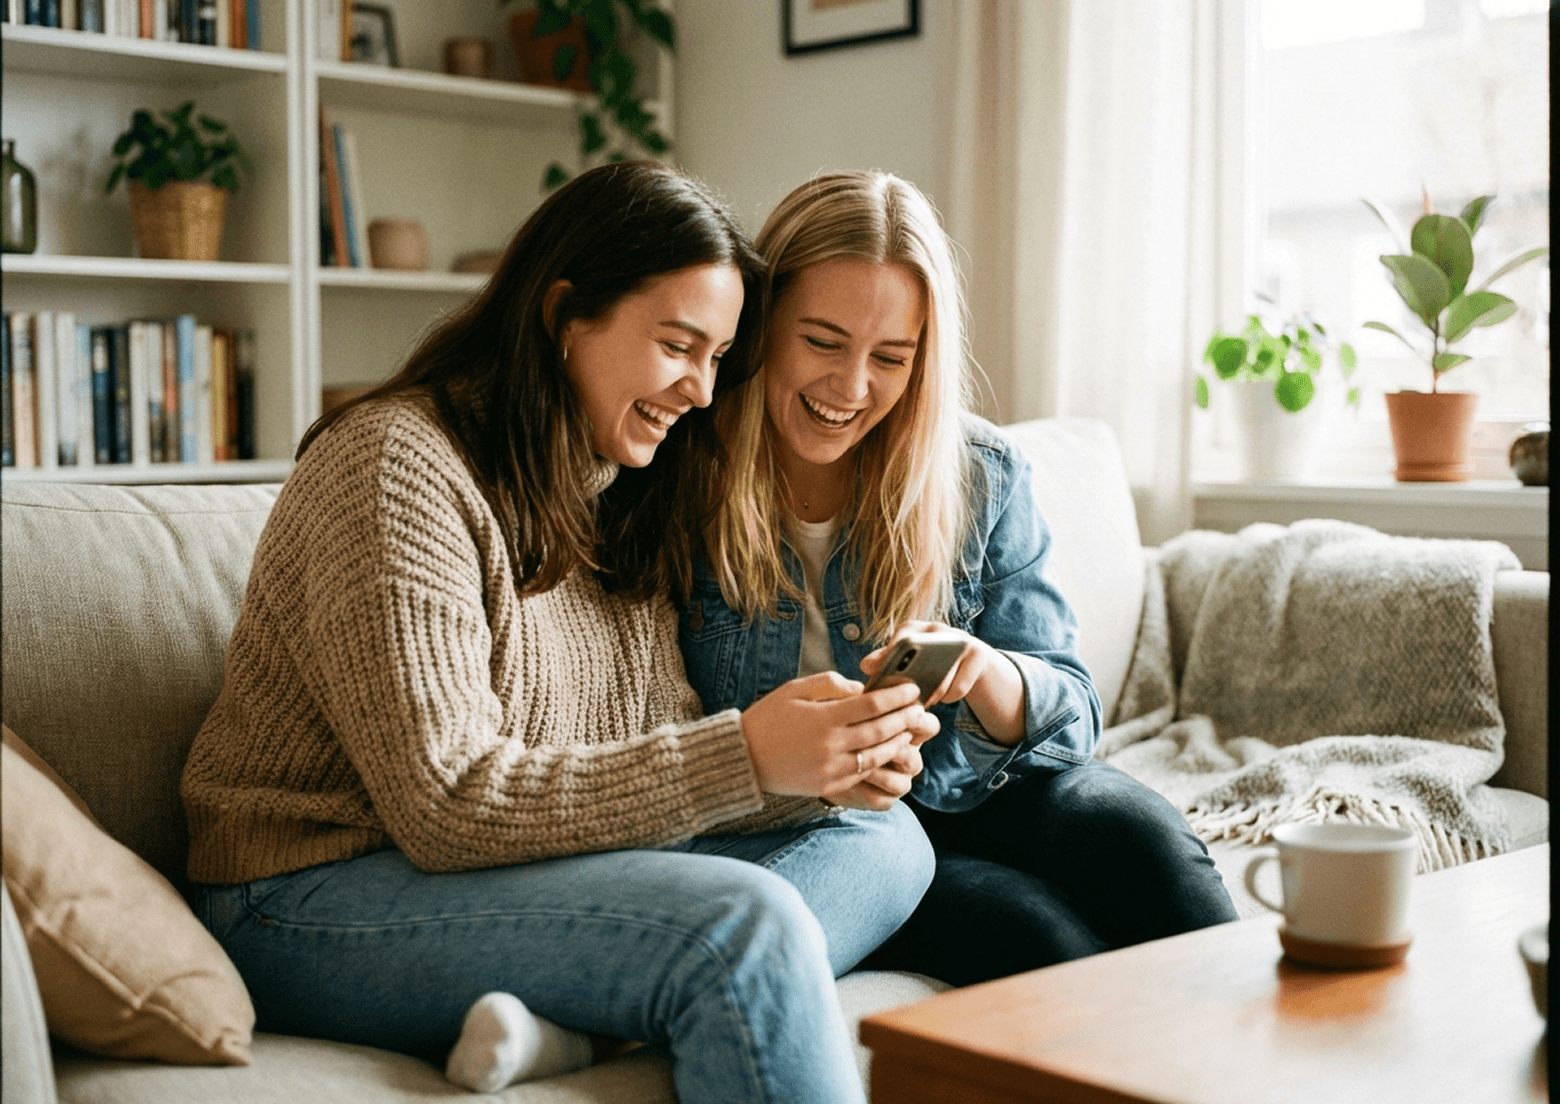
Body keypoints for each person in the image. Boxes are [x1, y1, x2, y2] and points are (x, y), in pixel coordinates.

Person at [180, 162, 937, 1104]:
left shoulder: (615, 487)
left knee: (887, 838)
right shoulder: (394, 466)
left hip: (515, 868)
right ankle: (615, 1008)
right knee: (745, 925)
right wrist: (746, 755)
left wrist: (812, 768)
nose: (702, 391)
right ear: (566, 315)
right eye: (677, 345)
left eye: (718, 357)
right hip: (302, 896)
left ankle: (578, 1029)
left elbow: (635, 759)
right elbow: (447, 802)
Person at [677, 170, 1238, 988]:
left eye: (891, 357)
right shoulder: (682, 473)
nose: (852, 387)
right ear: (760, 326)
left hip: (978, 791)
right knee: (1041, 940)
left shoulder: (979, 473)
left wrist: (985, 671)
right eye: (823, 342)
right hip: (833, 833)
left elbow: (1074, 711)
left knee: (1140, 839)